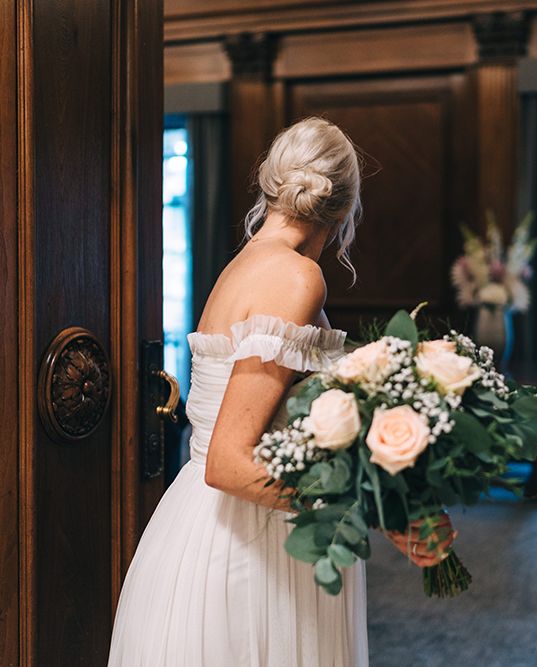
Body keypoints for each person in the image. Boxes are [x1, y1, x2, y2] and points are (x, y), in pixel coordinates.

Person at [108, 116, 454, 666]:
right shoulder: (295, 276)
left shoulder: (244, 265)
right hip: (247, 542)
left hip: (201, 520)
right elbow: (227, 461)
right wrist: (368, 508)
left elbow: (310, 414)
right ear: (343, 208)